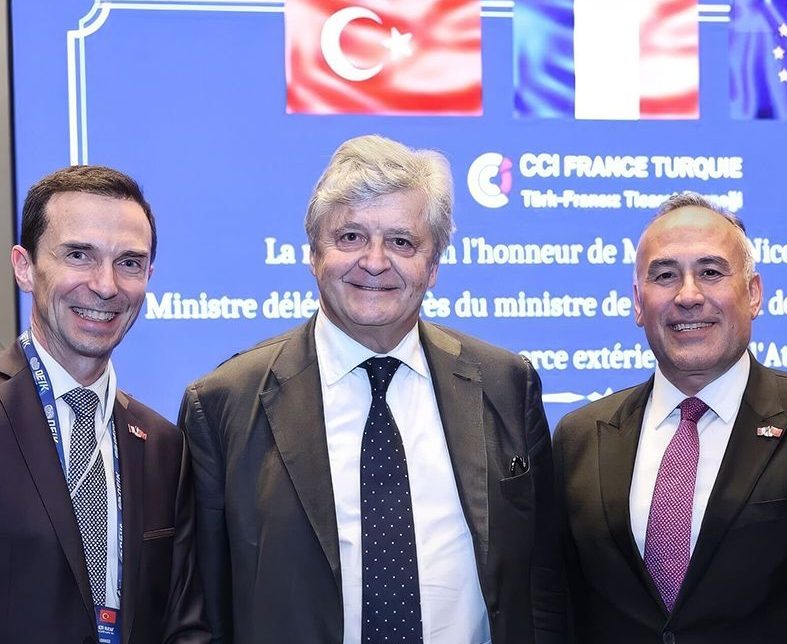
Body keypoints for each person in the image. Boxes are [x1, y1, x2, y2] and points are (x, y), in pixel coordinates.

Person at [179, 134, 563, 644]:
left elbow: (542, 587)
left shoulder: (506, 383)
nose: (375, 262)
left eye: (402, 242)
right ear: (314, 254)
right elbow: (201, 612)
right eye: (351, 237)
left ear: (433, 266)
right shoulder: (223, 402)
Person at [0, 165, 207, 643]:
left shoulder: (163, 445)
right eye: (78, 255)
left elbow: (184, 625)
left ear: (148, 276)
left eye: (129, 262)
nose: (106, 285)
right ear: (24, 267)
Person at [554, 191, 787, 643]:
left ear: (753, 293)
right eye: (665, 275)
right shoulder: (579, 439)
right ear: (638, 303)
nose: (688, 295)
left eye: (710, 272)